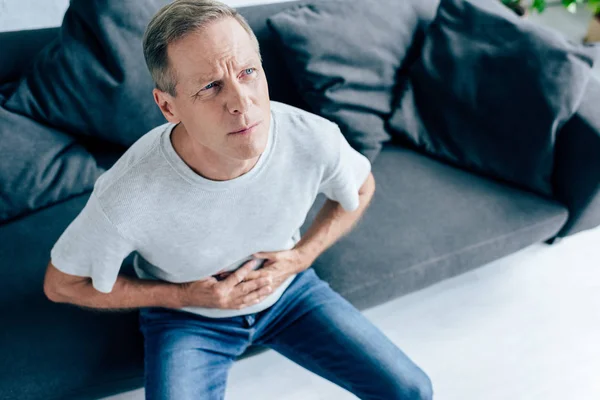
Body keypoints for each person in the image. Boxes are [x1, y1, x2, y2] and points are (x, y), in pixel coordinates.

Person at [43, 1, 434, 398]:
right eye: (211, 86)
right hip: (188, 317)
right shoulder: (128, 191)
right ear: (167, 106)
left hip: (289, 292)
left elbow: (362, 187)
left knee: (411, 390)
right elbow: (62, 284)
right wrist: (183, 296)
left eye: (248, 72)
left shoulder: (312, 136)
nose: (241, 102)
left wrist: (302, 256)